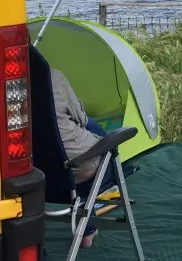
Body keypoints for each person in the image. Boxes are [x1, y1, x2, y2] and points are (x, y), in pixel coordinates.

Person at [50, 67, 112, 249]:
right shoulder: (52, 77)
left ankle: (86, 229)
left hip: (33, 173)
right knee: (97, 142)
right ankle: (86, 229)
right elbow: (81, 118)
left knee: (90, 130)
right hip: (76, 169)